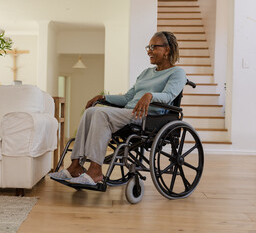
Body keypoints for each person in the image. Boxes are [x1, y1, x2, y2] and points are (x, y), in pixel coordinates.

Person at [49, 31, 187, 185]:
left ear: (167, 50)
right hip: (128, 112)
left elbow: (168, 95)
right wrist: (103, 97)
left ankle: (95, 171)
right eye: (148, 47)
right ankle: (75, 166)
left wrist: (150, 96)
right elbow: (128, 98)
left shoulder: (177, 73)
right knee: (91, 112)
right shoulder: (146, 73)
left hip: (148, 117)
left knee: (100, 113)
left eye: (153, 47)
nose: (149, 51)